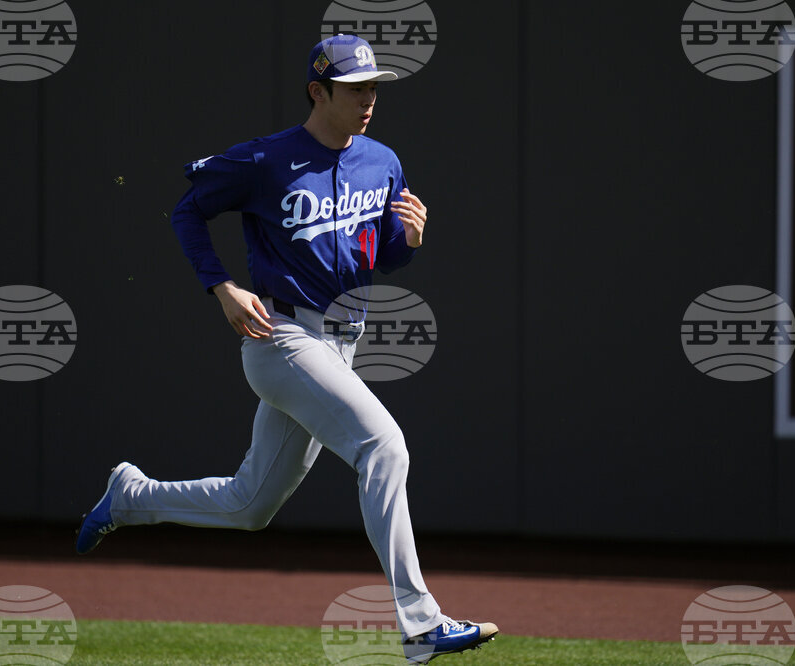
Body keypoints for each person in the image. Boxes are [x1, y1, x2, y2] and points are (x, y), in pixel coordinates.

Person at [75, 34, 497, 663]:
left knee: (250, 505)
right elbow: (187, 212)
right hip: (284, 339)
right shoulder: (266, 161)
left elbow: (376, 256)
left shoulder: (382, 161)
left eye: (373, 87)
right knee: (384, 445)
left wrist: (408, 241)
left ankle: (130, 496)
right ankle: (421, 623)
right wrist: (221, 288)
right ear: (317, 91)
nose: (368, 100)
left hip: (342, 342)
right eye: (355, 89)